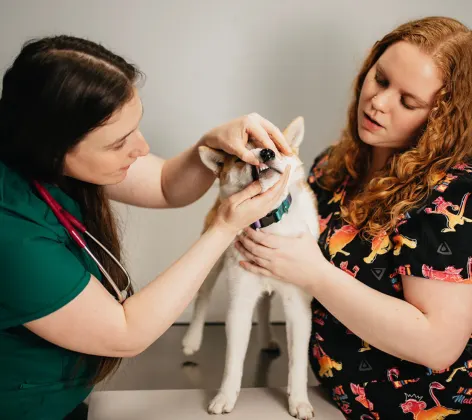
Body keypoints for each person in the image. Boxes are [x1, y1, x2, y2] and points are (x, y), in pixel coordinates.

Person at [0, 35, 293, 420]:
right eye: (119, 142)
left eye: (137, 126)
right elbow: (125, 332)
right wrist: (223, 229)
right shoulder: (12, 233)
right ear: (54, 146)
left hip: (63, 398)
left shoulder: (50, 153)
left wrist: (211, 145)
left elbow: (165, 184)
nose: (141, 148)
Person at [236, 16, 472, 419]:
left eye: (408, 101)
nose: (378, 102)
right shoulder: (333, 165)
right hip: (329, 398)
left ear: (442, 119)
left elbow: (438, 345)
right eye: (380, 79)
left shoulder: (451, 194)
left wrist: (314, 273)